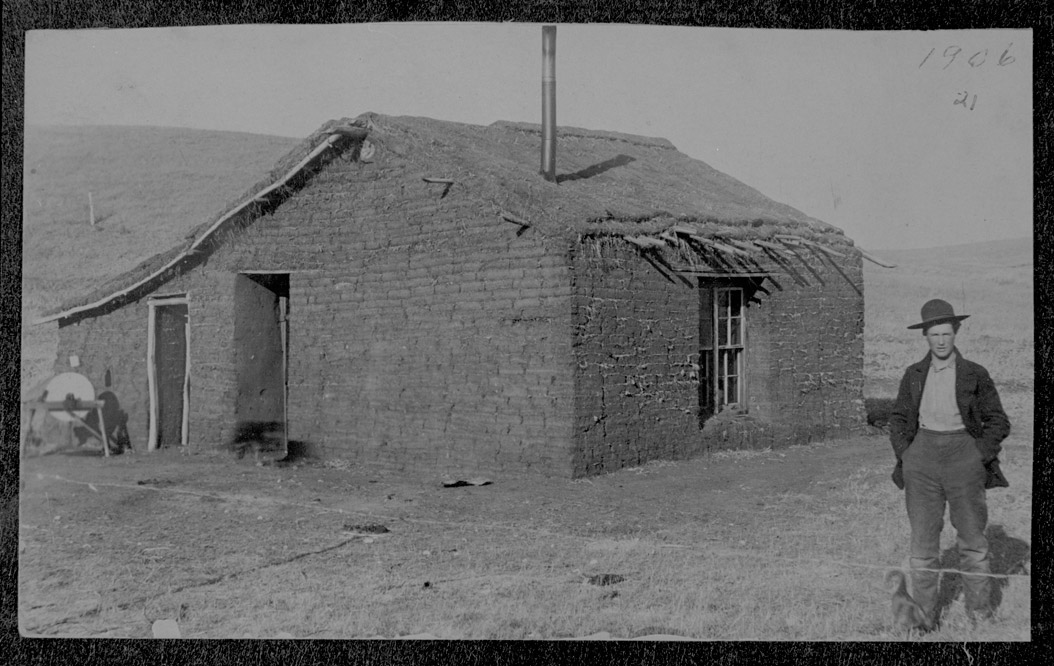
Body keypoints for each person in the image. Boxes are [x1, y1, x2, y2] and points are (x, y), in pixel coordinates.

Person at [888, 298, 1010, 628]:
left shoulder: (974, 374)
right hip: (922, 458)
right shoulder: (913, 375)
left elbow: (998, 420)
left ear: (955, 332)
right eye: (934, 335)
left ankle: (980, 614)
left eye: (946, 333)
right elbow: (898, 418)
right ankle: (924, 617)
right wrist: (907, 454)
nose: (941, 341)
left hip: (963, 457)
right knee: (924, 544)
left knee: (972, 542)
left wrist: (977, 454)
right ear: (925, 337)